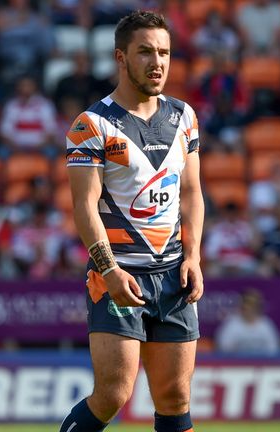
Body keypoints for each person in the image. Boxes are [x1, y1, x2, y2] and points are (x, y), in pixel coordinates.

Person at [59, 11, 204, 432]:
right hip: (119, 272)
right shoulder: (92, 125)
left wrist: (192, 257)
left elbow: (192, 192)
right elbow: (84, 206)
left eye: (164, 53)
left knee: (176, 398)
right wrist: (108, 269)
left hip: (173, 273)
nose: (157, 62)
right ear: (121, 58)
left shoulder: (184, 117)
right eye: (145, 52)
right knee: (113, 395)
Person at [215, 289, 280, 355]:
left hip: (262, 363)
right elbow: (223, 350)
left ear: (257, 306)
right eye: (246, 303)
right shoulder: (231, 324)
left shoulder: (266, 325)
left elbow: (274, 351)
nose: (248, 307)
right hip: (237, 364)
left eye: (252, 304)